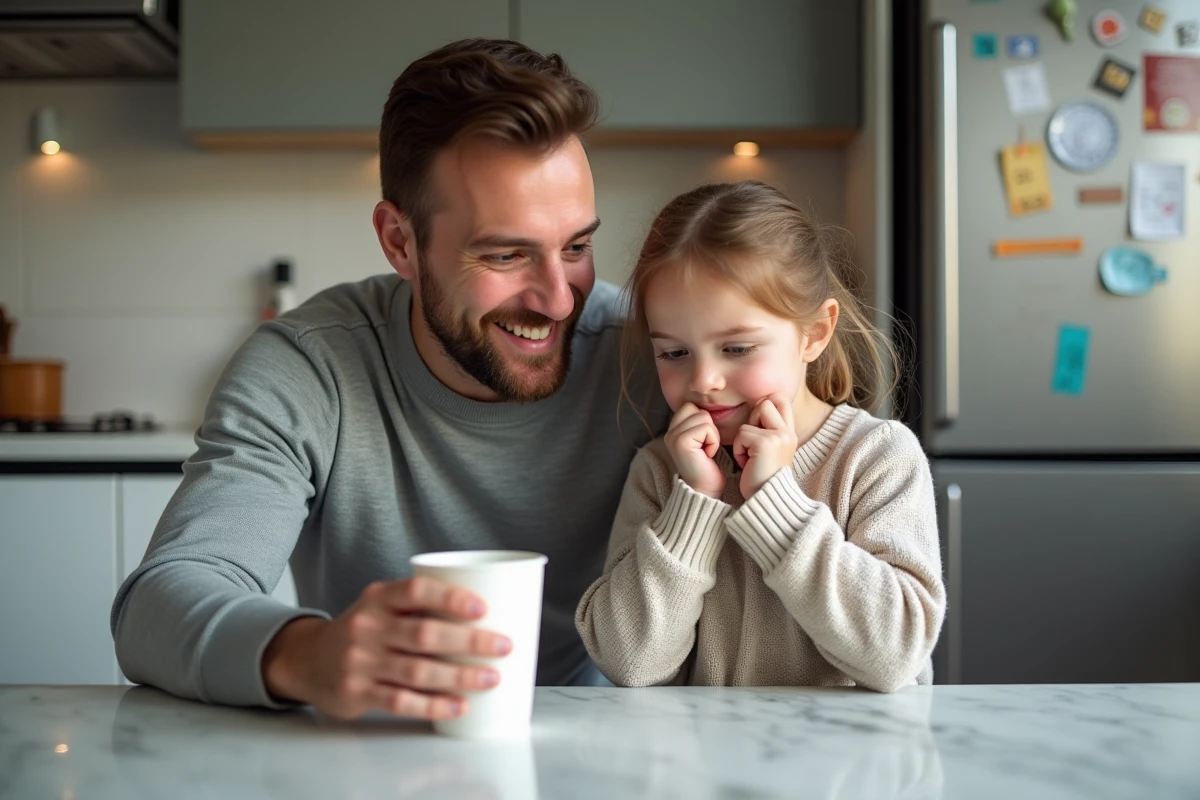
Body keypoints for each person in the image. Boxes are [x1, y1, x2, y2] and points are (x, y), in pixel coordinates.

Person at [110, 38, 668, 721]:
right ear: (400, 242)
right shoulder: (311, 366)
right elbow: (158, 603)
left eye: (576, 247)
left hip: (615, 746)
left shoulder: (651, 357)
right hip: (374, 751)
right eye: (506, 253)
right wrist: (306, 654)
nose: (557, 298)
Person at [575, 181, 945, 692]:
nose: (703, 380)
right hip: (711, 768)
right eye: (675, 353)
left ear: (814, 332)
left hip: (857, 767)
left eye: (737, 348)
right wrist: (694, 504)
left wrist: (776, 502)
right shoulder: (662, 473)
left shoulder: (877, 457)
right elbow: (629, 663)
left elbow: (895, 655)